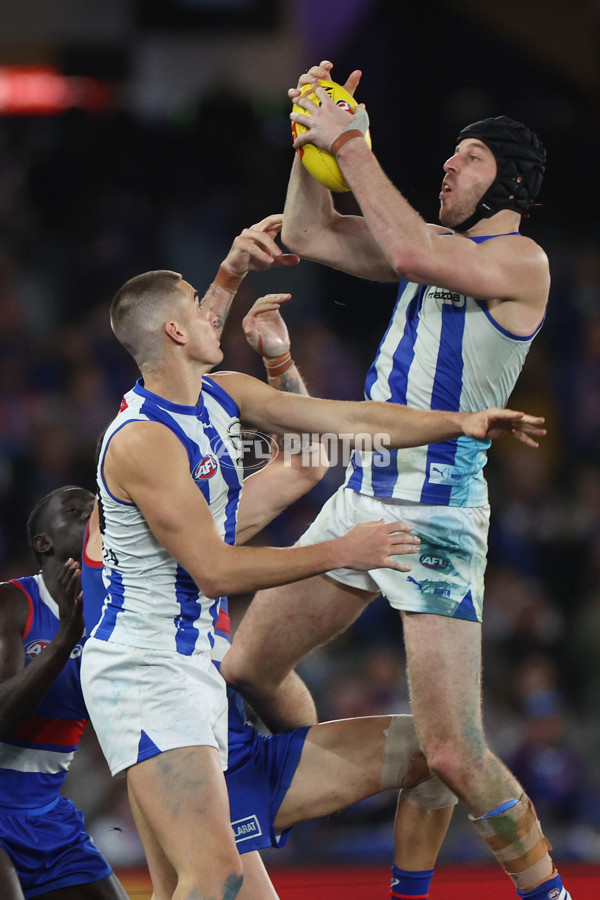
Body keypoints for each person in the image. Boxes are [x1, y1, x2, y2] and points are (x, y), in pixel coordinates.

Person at [79, 202, 544, 900]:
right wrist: (341, 550)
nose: (218, 315)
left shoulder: (218, 397)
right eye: (202, 311)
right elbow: (214, 570)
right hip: (148, 675)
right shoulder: (145, 444)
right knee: (214, 876)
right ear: (178, 330)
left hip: (205, 680)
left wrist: (459, 422)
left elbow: (340, 425)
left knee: (430, 756)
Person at [220, 63, 572, 900]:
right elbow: (309, 233)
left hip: (438, 515)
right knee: (246, 672)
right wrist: (312, 136)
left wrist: (352, 139)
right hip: (363, 492)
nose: (450, 166)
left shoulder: (521, 260)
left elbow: (412, 245)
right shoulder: (434, 250)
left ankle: (550, 894)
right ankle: (368, 789)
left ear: (511, 184)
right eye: (450, 155)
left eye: (471, 158)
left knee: (456, 751)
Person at [0, 485, 129, 900]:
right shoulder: (12, 603)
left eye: (98, 511)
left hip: (47, 817)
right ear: (44, 541)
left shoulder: (116, 616)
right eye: (76, 511)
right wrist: (64, 640)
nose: (92, 517)